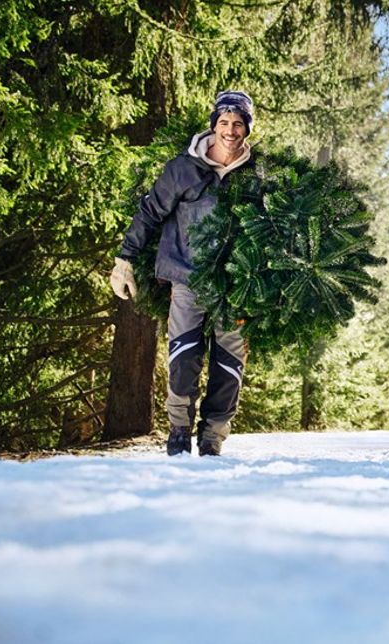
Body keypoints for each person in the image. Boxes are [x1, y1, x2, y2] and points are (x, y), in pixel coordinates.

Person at [109, 90, 256, 457]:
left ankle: (213, 437)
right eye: (224, 122)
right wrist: (125, 260)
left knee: (230, 364)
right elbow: (150, 212)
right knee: (183, 356)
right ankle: (178, 431)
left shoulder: (257, 174)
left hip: (236, 285)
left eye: (238, 123)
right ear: (214, 125)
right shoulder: (183, 169)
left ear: (247, 129)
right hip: (187, 276)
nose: (230, 130)